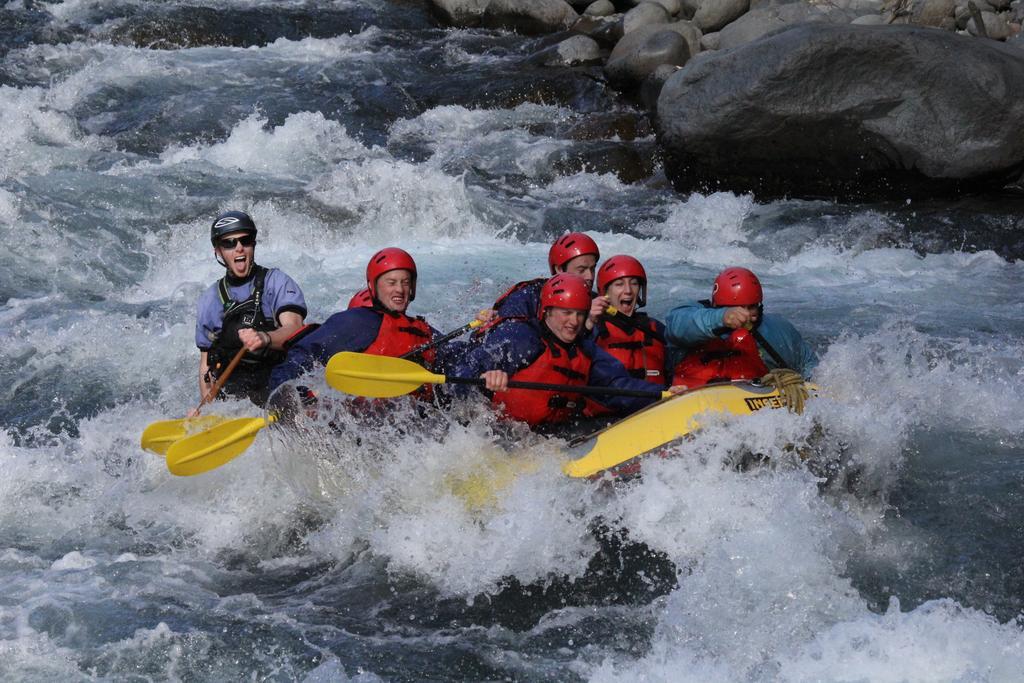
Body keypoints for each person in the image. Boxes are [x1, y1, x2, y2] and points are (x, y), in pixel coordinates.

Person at [452, 274, 674, 429]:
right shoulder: (519, 338)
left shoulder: (586, 351)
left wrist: (664, 396)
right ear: (547, 312)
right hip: (498, 432)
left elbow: (619, 388)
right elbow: (460, 374)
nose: (574, 322)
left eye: (579, 314)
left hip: (550, 435)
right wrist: (483, 378)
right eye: (566, 313)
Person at [268, 247, 438, 393]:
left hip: (416, 423)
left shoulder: (422, 329)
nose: (400, 289)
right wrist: (290, 394)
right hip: (361, 421)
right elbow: (302, 355)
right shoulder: (358, 321)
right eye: (391, 283)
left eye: (406, 282)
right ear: (373, 286)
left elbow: (454, 355)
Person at [194, 210, 307, 406]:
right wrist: (206, 411)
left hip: (278, 386)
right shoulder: (210, 299)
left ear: (253, 244)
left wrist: (265, 338)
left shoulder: (277, 282)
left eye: (244, 240)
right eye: (229, 243)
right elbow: (206, 366)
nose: (238, 248)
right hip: (234, 398)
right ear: (218, 251)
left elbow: (295, 328)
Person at [666, 267, 816, 411]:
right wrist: (722, 317)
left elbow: (809, 366)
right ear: (718, 306)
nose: (745, 314)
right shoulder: (689, 316)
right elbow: (678, 326)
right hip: (689, 400)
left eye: (751, 307)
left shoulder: (776, 330)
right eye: (737, 307)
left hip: (749, 407)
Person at [482, 232, 608, 331]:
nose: (590, 277)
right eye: (581, 270)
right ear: (559, 269)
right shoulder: (528, 296)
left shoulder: (597, 303)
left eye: (592, 268)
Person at [592, 255, 668, 386]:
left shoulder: (656, 329)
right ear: (605, 292)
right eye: (619, 284)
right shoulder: (592, 330)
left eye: (634, 283)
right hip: (609, 405)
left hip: (659, 404)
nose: (628, 291)